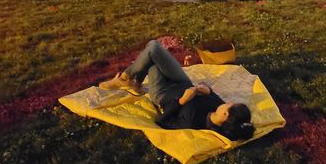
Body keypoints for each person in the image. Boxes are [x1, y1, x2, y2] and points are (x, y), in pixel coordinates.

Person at [99, 40, 255, 141]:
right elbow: (214, 97)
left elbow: (162, 121)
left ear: (225, 115)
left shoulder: (192, 122)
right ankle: (130, 80)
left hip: (163, 93)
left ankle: (126, 79)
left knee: (152, 55)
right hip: (182, 82)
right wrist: (207, 91)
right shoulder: (218, 107)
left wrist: (182, 101)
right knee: (154, 47)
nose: (227, 102)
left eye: (229, 105)